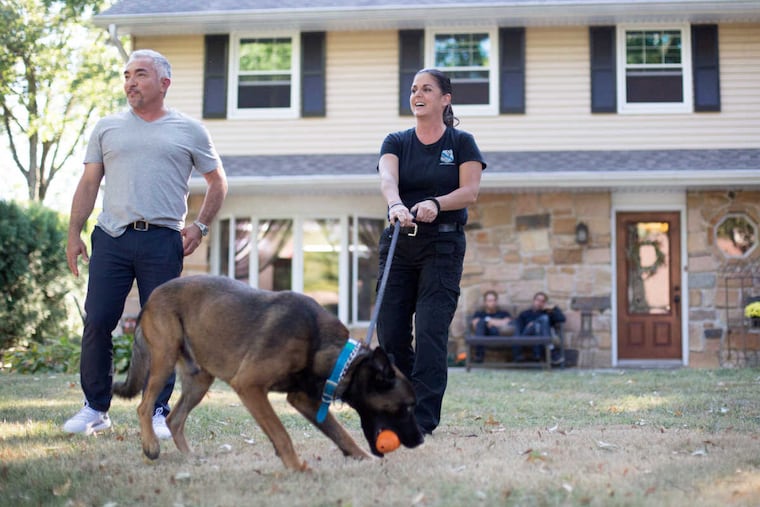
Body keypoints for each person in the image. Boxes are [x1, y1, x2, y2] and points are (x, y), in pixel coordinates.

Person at [63, 49, 228, 437]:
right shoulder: (107, 127)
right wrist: (74, 234)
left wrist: (200, 226)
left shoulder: (189, 130)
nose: (130, 82)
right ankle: (95, 408)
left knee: (164, 329)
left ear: (164, 83)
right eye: (126, 75)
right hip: (112, 237)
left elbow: (218, 182)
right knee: (99, 321)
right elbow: (88, 184)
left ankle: (157, 409)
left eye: (140, 74)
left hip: (163, 241)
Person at [376, 68, 486, 435]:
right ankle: (401, 401)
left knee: (429, 332)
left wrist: (436, 203)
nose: (417, 94)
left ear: (445, 99)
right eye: (413, 89)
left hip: (442, 245)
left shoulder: (462, 142)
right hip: (399, 242)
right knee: (390, 332)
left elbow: (469, 191)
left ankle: (421, 420)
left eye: (426, 89)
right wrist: (395, 205)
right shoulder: (396, 141)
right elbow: (388, 179)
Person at [514, 291, 566, 364]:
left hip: (542, 335)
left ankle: (537, 355)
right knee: (542, 320)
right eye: (538, 300)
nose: (539, 303)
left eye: (542, 301)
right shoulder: (525, 313)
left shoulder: (548, 313)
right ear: (533, 301)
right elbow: (518, 330)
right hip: (527, 336)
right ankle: (551, 352)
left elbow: (562, 319)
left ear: (545, 303)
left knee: (539, 324)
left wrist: (554, 308)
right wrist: (517, 351)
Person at [470, 290, 515, 362]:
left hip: (498, 336)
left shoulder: (503, 313)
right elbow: (475, 325)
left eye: (494, 300)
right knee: (481, 323)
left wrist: (490, 322)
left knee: (482, 322)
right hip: (484, 336)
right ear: (485, 302)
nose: (492, 303)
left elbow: (508, 323)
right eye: (490, 300)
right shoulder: (479, 313)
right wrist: (492, 322)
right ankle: (479, 356)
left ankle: (479, 355)